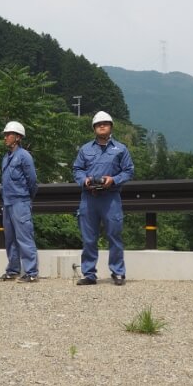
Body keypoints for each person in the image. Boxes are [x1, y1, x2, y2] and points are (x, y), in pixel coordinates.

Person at [72, 111, 135, 286]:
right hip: (89, 197)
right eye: (98, 124)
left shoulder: (121, 149)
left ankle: (118, 273)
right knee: (89, 237)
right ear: (94, 128)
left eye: (105, 123)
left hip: (111, 197)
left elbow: (129, 171)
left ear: (111, 127)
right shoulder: (85, 149)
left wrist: (113, 180)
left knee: (114, 235)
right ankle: (89, 274)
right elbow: (77, 169)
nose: (102, 125)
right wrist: (84, 180)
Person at [0, 120, 39, 282]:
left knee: (24, 237)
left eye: (9, 134)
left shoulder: (24, 156)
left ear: (18, 137)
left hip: (20, 202)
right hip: (7, 202)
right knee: (10, 238)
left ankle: (31, 272)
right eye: (5, 134)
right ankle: (13, 269)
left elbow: (32, 181)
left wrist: (27, 198)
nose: (6, 137)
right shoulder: (5, 158)